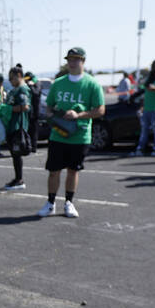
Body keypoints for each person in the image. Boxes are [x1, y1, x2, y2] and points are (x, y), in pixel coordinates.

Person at [38, 47, 105, 219]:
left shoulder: (92, 84)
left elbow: (100, 110)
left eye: (76, 59)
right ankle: (50, 203)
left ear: (83, 61)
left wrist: (79, 115)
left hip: (80, 136)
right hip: (58, 134)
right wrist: (55, 116)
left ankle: (69, 202)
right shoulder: (59, 83)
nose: (72, 62)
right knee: (53, 171)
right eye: (70, 59)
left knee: (73, 171)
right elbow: (49, 107)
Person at [130, 60, 155, 157]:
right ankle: (140, 149)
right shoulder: (150, 77)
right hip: (147, 108)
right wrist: (142, 106)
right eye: (153, 66)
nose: (153, 68)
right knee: (144, 129)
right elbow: (145, 93)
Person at [3, 66, 32, 190]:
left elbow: (25, 106)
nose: (10, 81)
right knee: (14, 154)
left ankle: (19, 180)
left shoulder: (22, 89)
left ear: (19, 75)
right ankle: (17, 178)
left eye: (12, 78)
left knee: (16, 153)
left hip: (17, 125)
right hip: (11, 124)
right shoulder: (14, 89)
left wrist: (7, 108)